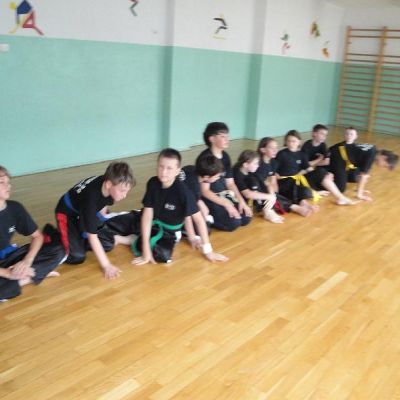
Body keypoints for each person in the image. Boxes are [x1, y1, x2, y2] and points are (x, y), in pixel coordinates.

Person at [132, 148, 228, 265]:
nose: (163, 172)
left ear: (177, 171)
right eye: (161, 166)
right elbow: (147, 214)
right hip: (152, 221)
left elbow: (199, 220)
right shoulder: (152, 183)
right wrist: (146, 248)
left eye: (169, 168)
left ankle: (133, 238)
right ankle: (136, 236)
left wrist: (208, 251)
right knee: (122, 224)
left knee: (162, 255)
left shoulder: (184, 193)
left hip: (168, 231)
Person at [55, 162, 138, 279]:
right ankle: (55, 234)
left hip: (83, 213)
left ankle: (91, 236)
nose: (124, 195)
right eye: (122, 191)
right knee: (77, 256)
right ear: (109, 184)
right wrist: (106, 265)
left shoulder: (109, 186)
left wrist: (99, 224)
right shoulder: (90, 199)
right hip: (66, 214)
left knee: (107, 244)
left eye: (126, 191)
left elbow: (103, 205)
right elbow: (92, 236)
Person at [0, 166, 65, 301]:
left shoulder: (15, 208)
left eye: (8, 182)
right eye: (2, 182)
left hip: (10, 257)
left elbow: (37, 236)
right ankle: (31, 276)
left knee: (58, 249)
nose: (8, 186)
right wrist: (7, 273)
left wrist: (27, 261)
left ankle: (25, 274)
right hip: (4, 269)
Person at [276, 130, 356, 211]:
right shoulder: (281, 154)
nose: (291, 143)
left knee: (320, 171)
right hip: (286, 181)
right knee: (300, 190)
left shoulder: (301, 154)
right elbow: (275, 171)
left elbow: (308, 169)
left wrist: (325, 174)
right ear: (285, 142)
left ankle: (340, 197)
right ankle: (307, 201)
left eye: (293, 141)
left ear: (299, 142)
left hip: (299, 179)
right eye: (288, 141)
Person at [196, 122, 252, 232]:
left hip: (224, 195)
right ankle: (209, 218)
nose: (227, 139)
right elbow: (204, 191)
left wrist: (241, 201)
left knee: (246, 217)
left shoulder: (225, 156)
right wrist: (226, 204)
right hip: (210, 197)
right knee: (234, 223)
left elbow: (230, 183)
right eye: (222, 136)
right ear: (212, 139)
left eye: (227, 136)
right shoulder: (205, 158)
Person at [329, 127, 398, 201]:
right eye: (385, 165)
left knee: (357, 177)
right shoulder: (371, 156)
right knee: (341, 188)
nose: (382, 167)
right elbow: (363, 176)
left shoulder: (374, 149)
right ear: (384, 157)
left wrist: (360, 189)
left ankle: (337, 175)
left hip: (347, 160)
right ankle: (326, 176)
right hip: (339, 158)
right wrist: (360, 194)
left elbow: (362, 174)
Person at [256, 137, 313, 217]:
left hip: (270, 187)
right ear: (263, 150)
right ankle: (295, 207)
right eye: (272, 148)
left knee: (290, 181)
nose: (275, 150)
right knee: (270, 194)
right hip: (258, 191)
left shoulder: (273, 162)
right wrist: (274, 195)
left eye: (276, 147)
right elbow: (264, 184)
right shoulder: (258, 164)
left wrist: (277, 193)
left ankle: (302, 202)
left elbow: (273, 180)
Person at [179, 154, 224, 247]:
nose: (218, 178)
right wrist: (191, 237)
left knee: (203, 211)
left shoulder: (191, 168)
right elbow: (187, 213)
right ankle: (182, 229)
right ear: (206, 177)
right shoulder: (194, 188)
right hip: (173, 209)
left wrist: (200, 202)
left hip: (174, 200)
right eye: (216, 177)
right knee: (205, 231)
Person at [233, 150, 283, 223]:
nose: (258, 165)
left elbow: (267, 183)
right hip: (239, 198)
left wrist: (272, 196)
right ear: (245, 165)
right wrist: (269, 197)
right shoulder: (237, 174)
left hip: (252, 195)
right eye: (255, 163)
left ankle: (268, 210)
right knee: (253, 182)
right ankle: (266, 210)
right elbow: (247, 194)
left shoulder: (253, 170)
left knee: (272, 193)